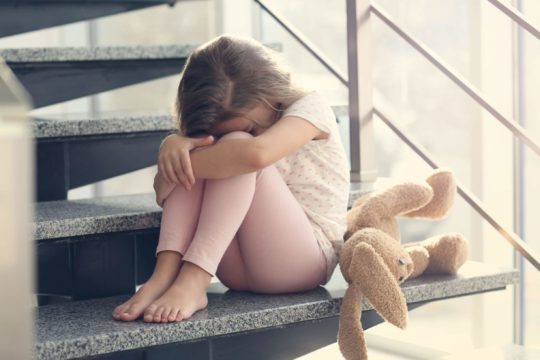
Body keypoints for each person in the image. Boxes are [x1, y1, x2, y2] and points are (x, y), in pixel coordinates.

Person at [112, 34, 350, 323]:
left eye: (252, 126)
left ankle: (194, 278)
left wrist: (173, 161)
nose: (249, 133)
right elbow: (165, 189)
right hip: (234, 266)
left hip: (303, 261)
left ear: (272, 95)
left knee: (235, 151)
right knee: (212, 149)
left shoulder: (310, 107)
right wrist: (178, 147)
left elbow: (255, 156)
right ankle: (164, 275)